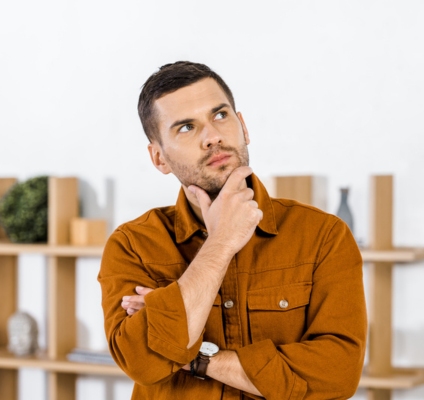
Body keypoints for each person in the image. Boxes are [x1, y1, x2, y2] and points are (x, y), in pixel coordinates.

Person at [98, 61, 367, 399]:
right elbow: (143, 363)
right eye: (186, 127)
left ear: (243, 127)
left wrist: (197, 359)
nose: (213, 137)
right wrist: (221, 243)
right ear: (159, 158)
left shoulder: (323, 236)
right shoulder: (132, 245)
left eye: (221, 116)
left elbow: (338, 374)